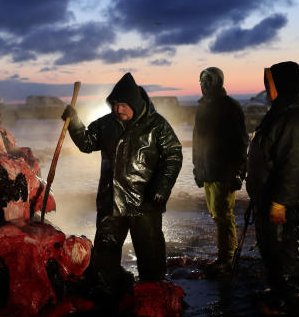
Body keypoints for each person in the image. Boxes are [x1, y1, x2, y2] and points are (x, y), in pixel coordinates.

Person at [62, 73, 183, 298]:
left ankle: (154, 296)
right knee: (105, 257)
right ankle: (108, 295)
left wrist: (161, 188)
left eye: (124, 105)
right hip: (111, 201)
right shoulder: (106, 124)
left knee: (150, 255)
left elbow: (173, 156)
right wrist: (75, 123)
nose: (118, 109)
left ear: (135, 105)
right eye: (115, 104)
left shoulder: (157, 125)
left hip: (145, 202)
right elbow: (87, 143)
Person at [246, 62, 299, 314]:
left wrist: (281, 201)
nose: (266, 88)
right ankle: (278, 290)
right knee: (271, 248)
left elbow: (293, 164)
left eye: (270, 83)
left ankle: (292, 300)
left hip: (281, 200)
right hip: (268, 196)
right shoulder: (280, 110)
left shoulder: (294, 116)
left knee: (285, 249)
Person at [192, 67, 248, 277]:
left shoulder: (229, 107)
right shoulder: (202, 108)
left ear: (218, 82)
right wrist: (197, 167)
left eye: (207, 81)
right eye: (201, 81)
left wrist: (238, 170)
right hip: (208, 170)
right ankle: (225, 255)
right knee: (217, 214)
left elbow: (240, 140)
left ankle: (227, 258)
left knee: (223, 214)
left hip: (224, 170)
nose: (204, 85)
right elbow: (197, 141)